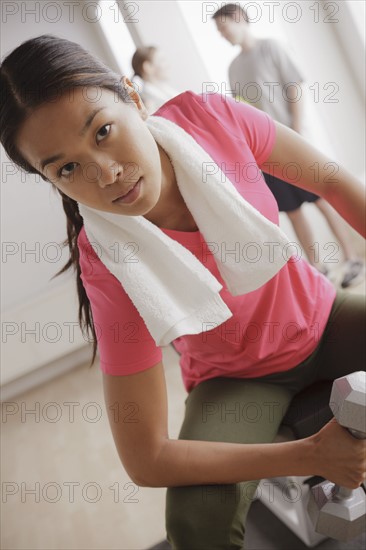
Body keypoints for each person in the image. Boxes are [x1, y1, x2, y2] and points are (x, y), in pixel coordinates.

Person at [1, 35, 365, 550]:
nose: (105, 175)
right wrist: (311, 455)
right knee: (197, 525)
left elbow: (330, 180)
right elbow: (147, 457)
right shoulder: (107, 261)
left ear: (131, 95)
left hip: (322, 316)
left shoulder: (212, 118)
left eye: (103, 132)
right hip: (235, 379)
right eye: (66, 169)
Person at [213, 3, 364, 287]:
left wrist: (295, 130)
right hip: (264, 152)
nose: (222, 35)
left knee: (322, 198)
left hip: (293, 141)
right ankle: (320, 269)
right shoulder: (233, 67)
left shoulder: (271, 47)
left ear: (239, 19)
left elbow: (295, 86)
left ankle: (352, 257)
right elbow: (242, 110)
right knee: (293, 210)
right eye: (219, 32)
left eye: (224, 28)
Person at [131, 45, 178, 114]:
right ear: (147, 67)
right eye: (162, 60)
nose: (168, 65)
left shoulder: (165, 89)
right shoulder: (147, 102)